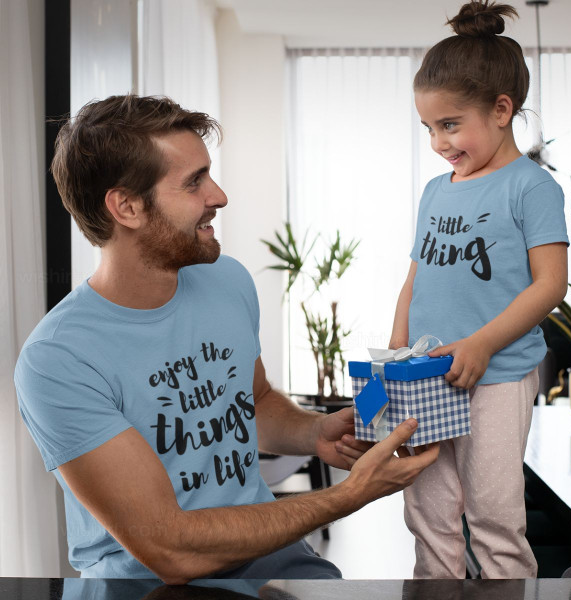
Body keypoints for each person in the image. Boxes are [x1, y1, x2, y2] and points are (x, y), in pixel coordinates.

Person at [14, 94, 439, 583]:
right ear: (126, 207)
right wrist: (348, 494)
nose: (218, 195)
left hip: (267, 553)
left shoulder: (226, 280)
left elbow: (251, 400)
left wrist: (312, 432)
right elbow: (169, 549)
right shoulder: (59, 359)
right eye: (194, 182)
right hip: (146, 582)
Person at [389, 0, 569, 580]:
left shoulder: (531, 188)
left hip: (496, 374)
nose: (439, 142)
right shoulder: (435, 191)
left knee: (493, 513)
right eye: (428, 128)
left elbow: (551, 286)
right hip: (426, 375)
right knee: (429, 510)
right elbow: (416, 278)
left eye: (449, 125)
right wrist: (396, 355)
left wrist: (483, 343)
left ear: (500, 109)